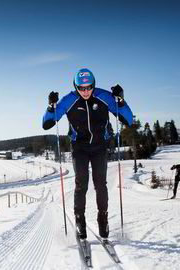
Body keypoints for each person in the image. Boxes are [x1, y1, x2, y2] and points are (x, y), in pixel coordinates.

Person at [42, 68, 133, 240]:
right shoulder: (69, 100)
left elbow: (128, 119)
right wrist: (50, 106)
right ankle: (79, 220)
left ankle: (103, 218)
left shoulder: (104, 97)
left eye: (88, 87)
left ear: (94, 85)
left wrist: (120, 101)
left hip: (99, 147)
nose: (85, 91)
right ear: (75, 86)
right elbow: (47, 123)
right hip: (80, 148)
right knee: (81, 184)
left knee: (101, 185)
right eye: (81, 88)